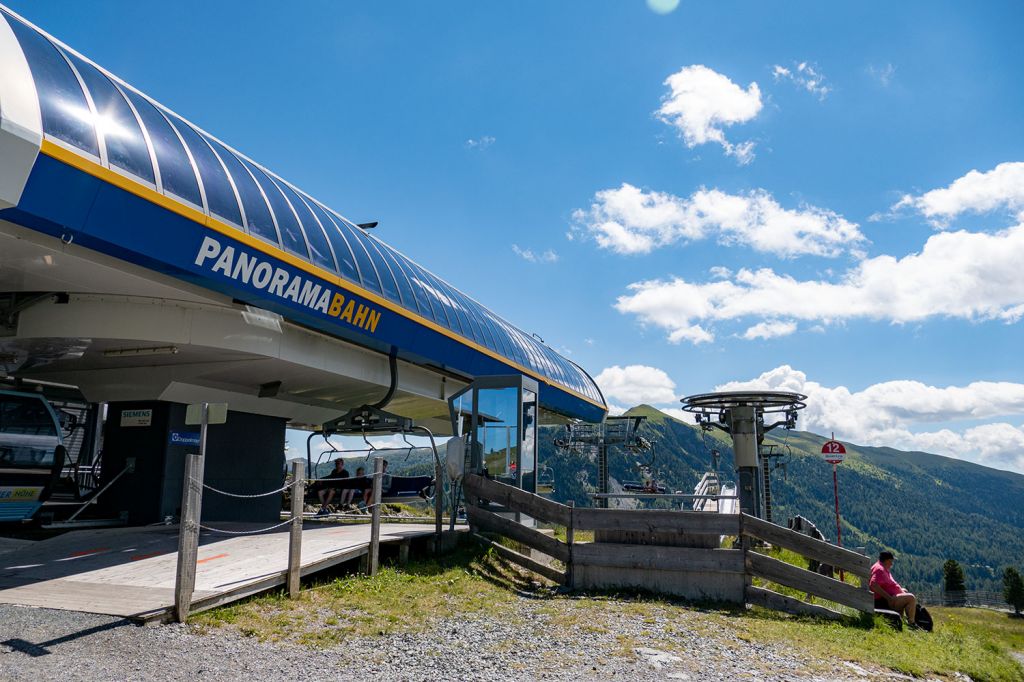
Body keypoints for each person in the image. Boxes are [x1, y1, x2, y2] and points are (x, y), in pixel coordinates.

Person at [869, 551, 917, 626]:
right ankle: (911, 623)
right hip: (885, 601)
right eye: (890, 561)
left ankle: (901, 620)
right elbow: (873, 584)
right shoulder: (879, 570)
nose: (891, 564)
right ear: (887, 560)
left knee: (904, 591)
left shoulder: (881, 567)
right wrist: (889, 598)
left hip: (889, 597)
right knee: (911, 598)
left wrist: (900, 590)